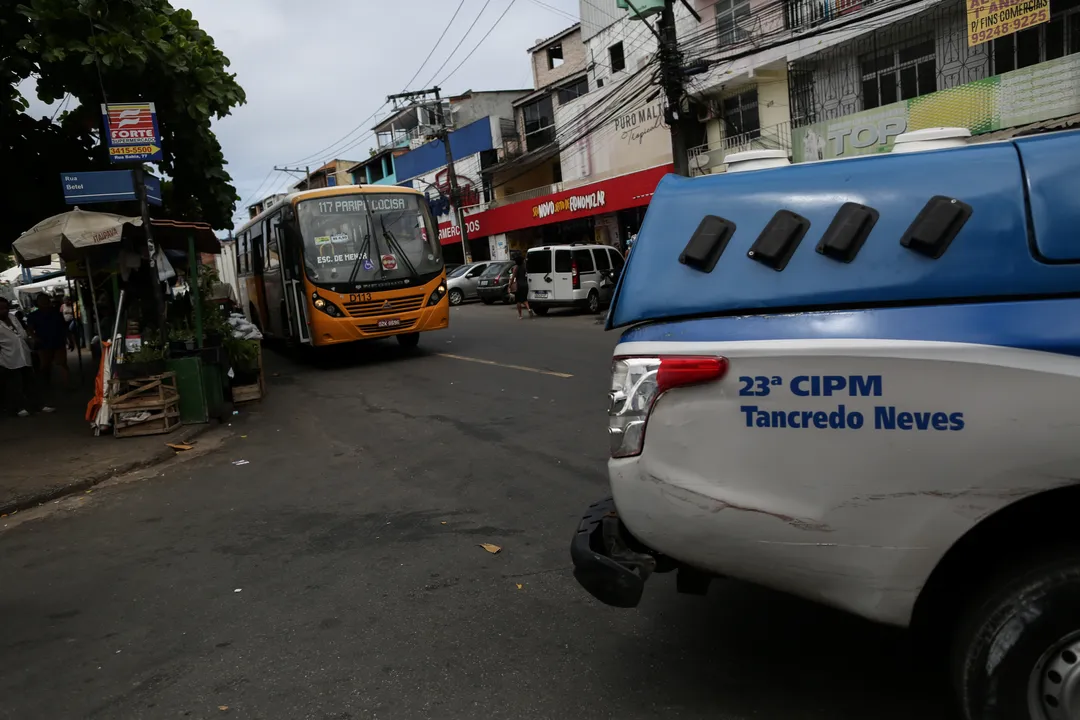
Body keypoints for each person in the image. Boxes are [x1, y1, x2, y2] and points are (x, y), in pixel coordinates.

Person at [0, 298, 54, 417]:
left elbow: (23, 333)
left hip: (24, 354)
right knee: (15, 385)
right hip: (9, 358)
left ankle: (38, 405)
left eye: (5, 308)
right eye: (1, 309)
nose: (4, 311)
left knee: (31, 382)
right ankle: (19, 408)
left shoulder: (13, 317)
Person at [27, 293, 70, 390]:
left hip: (58, 341)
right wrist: (35, 338)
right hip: (43, 343)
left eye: (45, 299)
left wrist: (69, 339)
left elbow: (64, 327)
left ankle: (66, 385)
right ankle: (46, 385)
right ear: (37, 302)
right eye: (41, 300)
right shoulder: (33, 315)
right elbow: (29, 329)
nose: (44, 302)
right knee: (45, 366)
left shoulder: (56, 313)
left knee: (62, 363)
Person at [510, 255, 533, 320]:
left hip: (519, 286)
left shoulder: (516, 268)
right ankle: (529, 309)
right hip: (525, 285)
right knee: (524, 299)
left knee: (518, 301)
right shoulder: (525, 268)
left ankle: (520, 315)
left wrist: (510, 286)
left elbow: (513, 278)